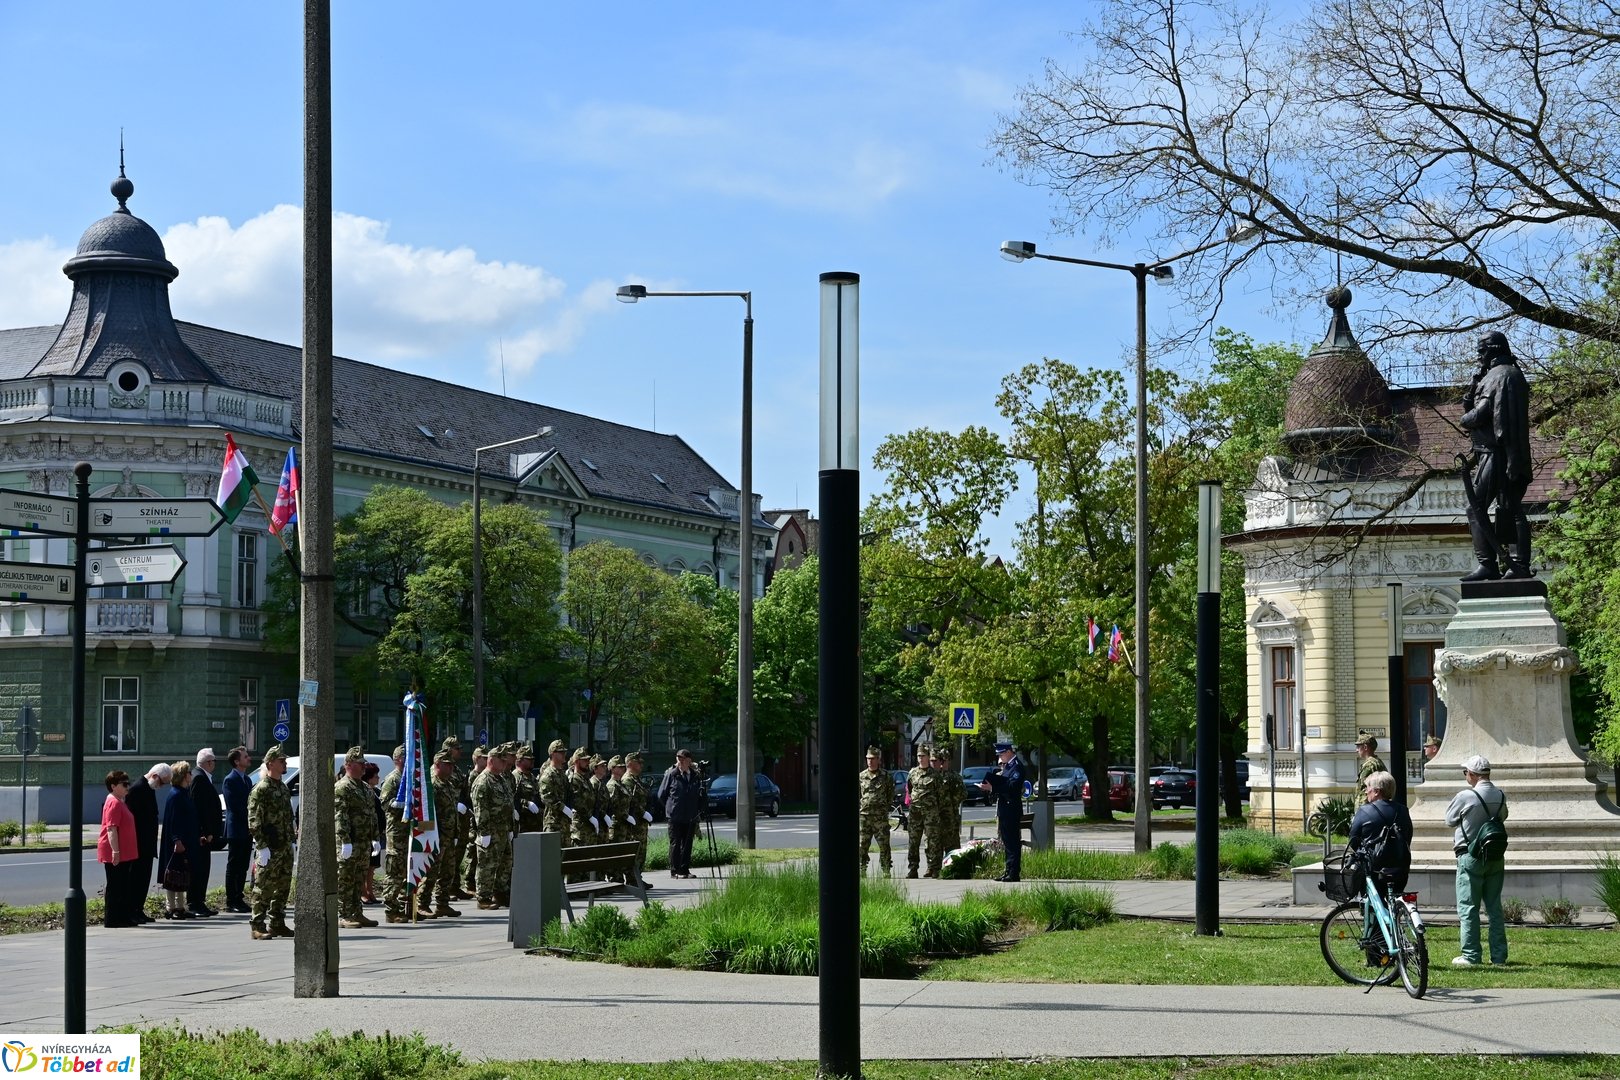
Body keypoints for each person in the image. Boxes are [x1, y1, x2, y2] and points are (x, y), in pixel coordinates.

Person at [1460, 331, 1533, 581]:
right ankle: (1517, 564)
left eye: (1481, 351)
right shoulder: (1508, 374)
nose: (1479, 356)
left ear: (1493, 349)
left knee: (1476, 507)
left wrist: (1464, 419)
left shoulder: (1499, 375)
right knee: (1511, 507)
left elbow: (1479, 414)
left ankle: (1490, 564)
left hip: (1496, 452)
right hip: (1505, 452)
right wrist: (1472, 387)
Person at [1444, 754, 1510, 967]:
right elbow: (1503, 817)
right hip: (1495, 856)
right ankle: (1499, 956)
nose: (1466, 776)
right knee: (1494, 908)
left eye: (1466, 773)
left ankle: (1471, 955)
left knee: (1468, 907)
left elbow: (1449, 820)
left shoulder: (1466, 796)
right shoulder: (1500, 795)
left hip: (1469, 856)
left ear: (1472, 774)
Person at [247, 744, 295, 940]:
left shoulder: (282, 787)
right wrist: (262, 846)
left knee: (283, 885)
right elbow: (254, 820)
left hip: (284, 845)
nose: (284, 763)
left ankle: (277, 923)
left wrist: (291, 839)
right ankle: (257, 925)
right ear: (270, 764)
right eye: (281, 761)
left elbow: (289, 815)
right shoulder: (262, 789)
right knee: (264, 886)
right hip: (269, 846)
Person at [1347, 770, 1412, 894]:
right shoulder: (1403, 810)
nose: (1366, 791)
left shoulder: (1364, 811)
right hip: (1400, 869)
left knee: (1372, 905)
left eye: (1368, 788)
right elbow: (1408, 837)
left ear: (1376, 791)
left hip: (1373, 870)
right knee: (1395, 900)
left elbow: (1353, 841)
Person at [335, 747, 379, 929]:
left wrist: (375, 837)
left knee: (359, 879)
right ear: (348, 765)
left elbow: (372, 814)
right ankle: (343, 914)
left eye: (363, 764)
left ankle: (356, 912)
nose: (363, 768)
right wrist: (344, 840)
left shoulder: (365, 789)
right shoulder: (342, 787)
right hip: (350, 843)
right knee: (345, 879)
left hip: (363, 843)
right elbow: (340, 815)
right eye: (359, 764)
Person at [124, 763, 171, 925]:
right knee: (135, 879)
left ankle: (138, 909)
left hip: (146, 845)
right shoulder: (138, 788)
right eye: (163, 782)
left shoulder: (149, 788)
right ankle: (131, 911)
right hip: (138, 844)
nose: (162, 786)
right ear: (155, 776)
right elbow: (133, 820)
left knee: (143, 879)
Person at [470, 740, 515, 909]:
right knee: (487, 865)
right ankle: (483, 898)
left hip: (503, 830)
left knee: (505, 864)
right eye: (501, 761)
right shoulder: (483, 781)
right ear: (491, 760)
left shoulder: (501, 779)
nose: (505, 764)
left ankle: (501, 894)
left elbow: (508, 804)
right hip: (490, 831)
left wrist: (510, 828)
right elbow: (480, 809)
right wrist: (484, 832)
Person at [157, 761, 200, 920]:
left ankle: (181, 907)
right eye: (189, 772)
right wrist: (177, 840)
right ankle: (171, 908)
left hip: (186, 839)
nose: (191, 775)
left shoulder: (183, 792)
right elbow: (174, 820)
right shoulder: (175, 794)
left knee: (182, 873)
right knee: (173, 874)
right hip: (177, 842)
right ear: (183, 776)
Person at [97, 770, 138, 928]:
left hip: (123, 851)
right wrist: (116, 851)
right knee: (116, 886)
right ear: (113, 786)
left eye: (128, 783)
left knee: (122, 885)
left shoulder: (119, 800)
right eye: (124, 784)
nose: (128, 786)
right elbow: (111, 829)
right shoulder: (113, 802)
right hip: (116, 851)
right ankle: (113, 919)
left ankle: (122, 916)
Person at [980, 742, 1026, 882]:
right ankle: (1008, 871)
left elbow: (1012, 786)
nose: (1000, 757)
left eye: (1001, 754)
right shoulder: (1009, 766)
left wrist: (992, 788)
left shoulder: (1017, 766)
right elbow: (1004, 782)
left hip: (1011, 808)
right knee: (1007, 841)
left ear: (1008, 752)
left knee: (1012, 841)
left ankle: (1013, 873)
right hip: (1005, 808)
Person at [377, 745, 413, 922]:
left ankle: (405, 906)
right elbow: (384, 802)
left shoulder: (411, 778)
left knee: (407, 870)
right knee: (395, 871)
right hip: (397, 831)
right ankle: (391, 909)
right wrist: (399, 804)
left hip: (409, 831)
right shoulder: (393, 779)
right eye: (406, 757)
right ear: (398, 759)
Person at [658, 749, 704, 879]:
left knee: (687, 844)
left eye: (683, 759)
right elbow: (661, 795)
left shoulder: (695, 775)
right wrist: (670, 808)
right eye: (678, 758)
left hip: (690, 816)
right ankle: (675, 870)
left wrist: (697, 810)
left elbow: (700, 796)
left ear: (689, 760)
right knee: (675, 843)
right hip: (675, 816)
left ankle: (684, 869)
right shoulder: (671, 775)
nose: (680, 761)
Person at [427, 750, 462, 918]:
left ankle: (442, 903)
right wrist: (435, 837)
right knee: (431, 871)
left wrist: (455, 833)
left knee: (448, 871)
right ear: (437, 765)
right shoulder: (432, 785)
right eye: (447, 765)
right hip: (437, 836)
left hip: (448, 835)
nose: (451, 768)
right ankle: (423, 903)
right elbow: (429, 813)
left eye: (452, 765)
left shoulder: (447, 783)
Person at [188, 747, 222, 917]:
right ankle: (195, 903)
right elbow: (199, 808)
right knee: (198, 870)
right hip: (201, 835)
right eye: (214, 761)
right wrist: (205, 831)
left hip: (205, 833)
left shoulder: (202, 777)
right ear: (208, 762)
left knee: (203, 869)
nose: (215, 764)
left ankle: (199, 902)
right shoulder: (199, 778)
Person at [220, 747, 253, 914]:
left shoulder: (247, 780)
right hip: (236, 829)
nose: (249, 759)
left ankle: (239, 897)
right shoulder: (229, 780)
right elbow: (235, 806)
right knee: (233, 865)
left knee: (243, 866)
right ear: (236, 761)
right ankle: (231, 900)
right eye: (245, 757)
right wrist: (249, 819)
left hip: (247, 830)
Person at [857, 746, 892, 875]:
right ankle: (862, 868)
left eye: (872, 759)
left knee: (884, 845)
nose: (870, 761)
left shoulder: (885, 776)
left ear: (878, 760)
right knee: (862, 844)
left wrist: (883, 808)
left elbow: (890, 794)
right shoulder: (861, 776)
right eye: (868, 759)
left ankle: (886, 869)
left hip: (880, 817)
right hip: (864, 816)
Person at [905, 746, 938, 879]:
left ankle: (933, 868)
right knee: (913, 841)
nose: (920, 758)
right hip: (915, 813)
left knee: (931, 841)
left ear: (928, 757)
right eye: (919, 756)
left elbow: (939, 793)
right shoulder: (912, 773)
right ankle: (913, 869)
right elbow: (909, 788)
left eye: (923, 756)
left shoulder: (935, 774)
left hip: (930, 813)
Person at [624, 751, 652, 886]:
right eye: (638, 762)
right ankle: (632, 879)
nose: (641, 765)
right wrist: (642, 813)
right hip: (634, 824)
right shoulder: (627, 780)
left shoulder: (636, 780)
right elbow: (631, 801)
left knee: (641, 851)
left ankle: (637, 877)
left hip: (641, 823)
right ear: (630, 763)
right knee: (635, 852)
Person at [539, 738, 573, 842]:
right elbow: (546, 797)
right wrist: (563, 808)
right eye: (560, 752)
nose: (564, 754)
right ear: (553, 754)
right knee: (552, 856)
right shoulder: (548, 774)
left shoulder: (562, 774)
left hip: (565, 823)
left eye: (564, 752)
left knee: (566, 856)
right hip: (553, 823)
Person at [933, 745, 964, 852]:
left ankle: (952, 868)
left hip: (951, 818)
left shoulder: (955, 776)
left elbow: (963, 793)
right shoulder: (935, 776)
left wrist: (952, 801)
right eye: (940, 761)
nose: (942, 764)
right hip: (937, 818)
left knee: (953, 849)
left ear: (948, 761)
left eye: (944, 761)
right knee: (936, 848)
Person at [363, 761, 384, 903]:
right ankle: (363, 892)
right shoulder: (365, 791)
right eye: (376, 775)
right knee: (365, 865)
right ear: (369, 777)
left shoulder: (376, 792)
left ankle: (370, 890)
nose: (378, 777)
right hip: (366, 833)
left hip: (376, 833)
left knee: (372, 865)